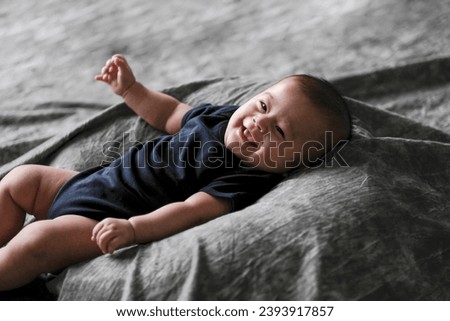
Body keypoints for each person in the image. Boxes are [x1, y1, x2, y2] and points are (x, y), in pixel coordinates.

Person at [0, 55, 351, 291]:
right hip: (91, 182)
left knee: (38, 242)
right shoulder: (218, 117)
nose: (259, 123)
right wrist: (131, 90)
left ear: (294, 162)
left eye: (279, 133)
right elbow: (169, 112)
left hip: (104, 218)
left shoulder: (248, 175)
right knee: (20, 179)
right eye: (262, 105)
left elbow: (192, 211)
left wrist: (134, 229)